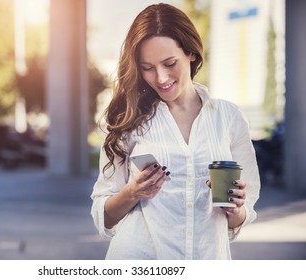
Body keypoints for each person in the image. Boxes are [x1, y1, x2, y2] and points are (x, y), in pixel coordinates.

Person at [90, 3, 260, 260]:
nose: (160, 78)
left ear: (191, 53)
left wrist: (235, 210)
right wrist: (132, 192)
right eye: (147, 67)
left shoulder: (229, 118)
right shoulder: (128, 120)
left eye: (170, 63)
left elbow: (245, 210)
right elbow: (103, 214)